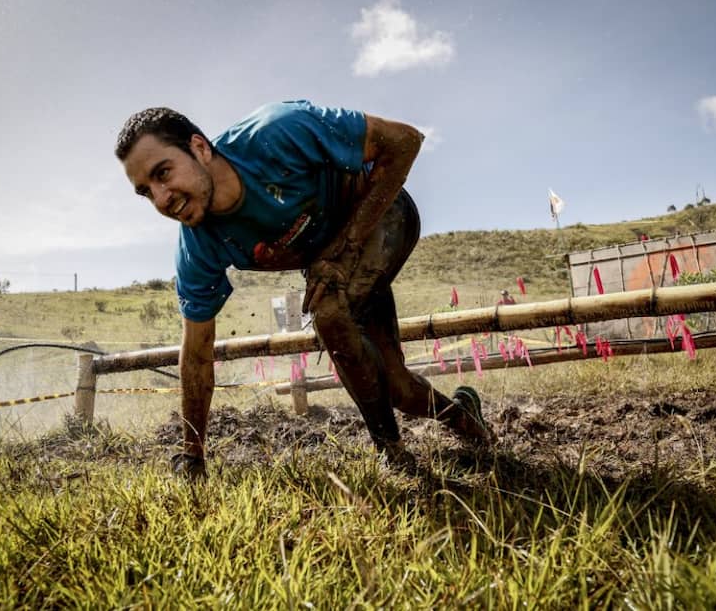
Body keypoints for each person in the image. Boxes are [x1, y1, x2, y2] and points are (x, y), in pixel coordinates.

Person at [115, 101, 495, 479]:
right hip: (335, 268)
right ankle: (466, 418)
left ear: (199, 148)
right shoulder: (197, 246)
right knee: (399, 389)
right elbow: (196, 354)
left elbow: (404, 141)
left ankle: (392, 453)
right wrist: (192, 455)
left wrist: (341, 250)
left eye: (163, 173)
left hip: (383, 214)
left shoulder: (277, 132)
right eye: (146, 192)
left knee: (327, 310)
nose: (162, 199)